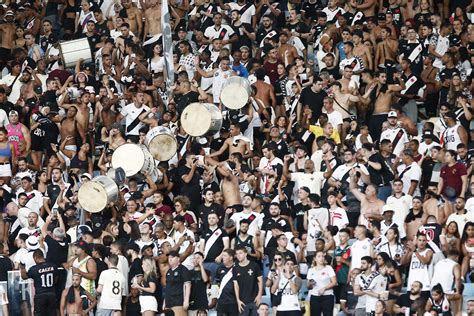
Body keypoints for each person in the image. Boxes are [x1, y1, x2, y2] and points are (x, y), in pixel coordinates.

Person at [20, 249, 57, 315]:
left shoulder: (34, 269)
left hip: (40, 295)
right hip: (52, 294)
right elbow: (56, 279)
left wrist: (22, 267)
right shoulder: (53, 266)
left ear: (35, 258)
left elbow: (24, 277)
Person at [233, 245, 263, 316]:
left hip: (254, 300)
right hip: (242, 302)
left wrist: (259, 295)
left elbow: (260, 281)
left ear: (246, 254)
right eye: (237, 254)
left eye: (240, 253)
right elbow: (236, 285)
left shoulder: (254, 265)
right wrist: (238, 300)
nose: (238, 255)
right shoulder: (235, 268)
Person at [307, 250, 337, 316]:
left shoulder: (328, 268)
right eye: (319, 256)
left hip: (327, 296)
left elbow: (334, 282)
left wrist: (324, 288)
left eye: (323, 256)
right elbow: (308, 287)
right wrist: (310, 283)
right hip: (315, 296)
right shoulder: (311, 270)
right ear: (315, 258)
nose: (321, 258)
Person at [165, 250, 191, 316]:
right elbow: (167, 287)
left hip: (178, 302)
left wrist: (186, 300)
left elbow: (187, 285)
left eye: (172, 257)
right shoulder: (169, 271)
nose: (170, 259)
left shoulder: (183, 269)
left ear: (178, 259)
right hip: (168, 302)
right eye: (169, 257)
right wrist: (164, 302)